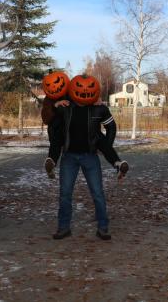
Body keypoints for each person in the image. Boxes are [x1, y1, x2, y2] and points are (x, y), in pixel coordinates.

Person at [44, 75, 128, 241]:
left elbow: (111, 126)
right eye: (79, 87)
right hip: (69, 157)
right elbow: (48, 119)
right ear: (73, 89)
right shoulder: (66, 106)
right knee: (65, 194)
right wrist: (54, 105)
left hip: (90, 156)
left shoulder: (99, 108)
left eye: (89, 88)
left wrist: (107, 147)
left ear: (95, 90)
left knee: (97, 193)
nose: (84, 91)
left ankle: (103, 228)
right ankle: (63, 228)